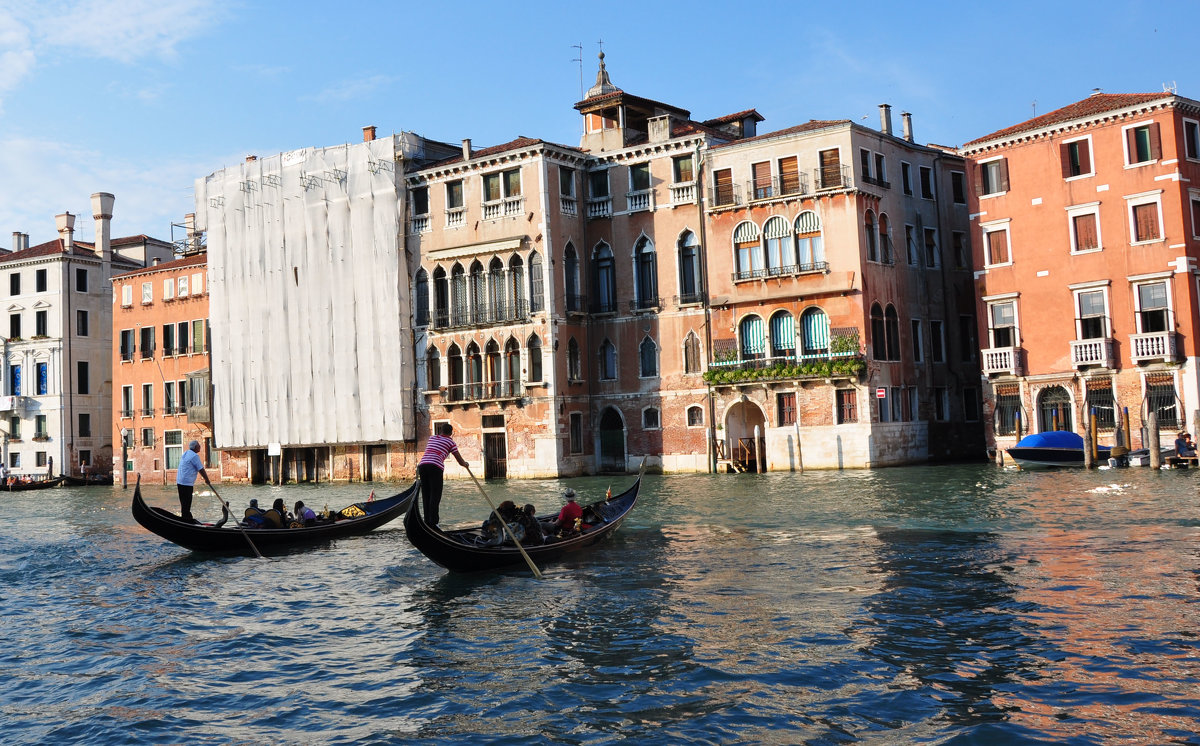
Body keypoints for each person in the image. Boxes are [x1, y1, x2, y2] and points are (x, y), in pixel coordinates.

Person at [417, 423, 469, 526]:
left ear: (440, 431)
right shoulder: (450, 442)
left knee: (426, 494)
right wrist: (465, 464)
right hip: (435, 467)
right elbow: (459, 460)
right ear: (451, 433)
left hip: (422, 465)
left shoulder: (432, 438)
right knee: (435, 495)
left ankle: (427, 521)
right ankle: (433, 523)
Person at [176, 439, 213, 522]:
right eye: (199, 445)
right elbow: (201, 469)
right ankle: (187, 520)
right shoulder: (194, 456)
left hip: (180, 482)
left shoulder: (186, 453)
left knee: (184, 504)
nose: (200, 447)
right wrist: (207, 480)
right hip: (186, 483)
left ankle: (186, 519)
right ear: (196, 447)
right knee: (187, 504)